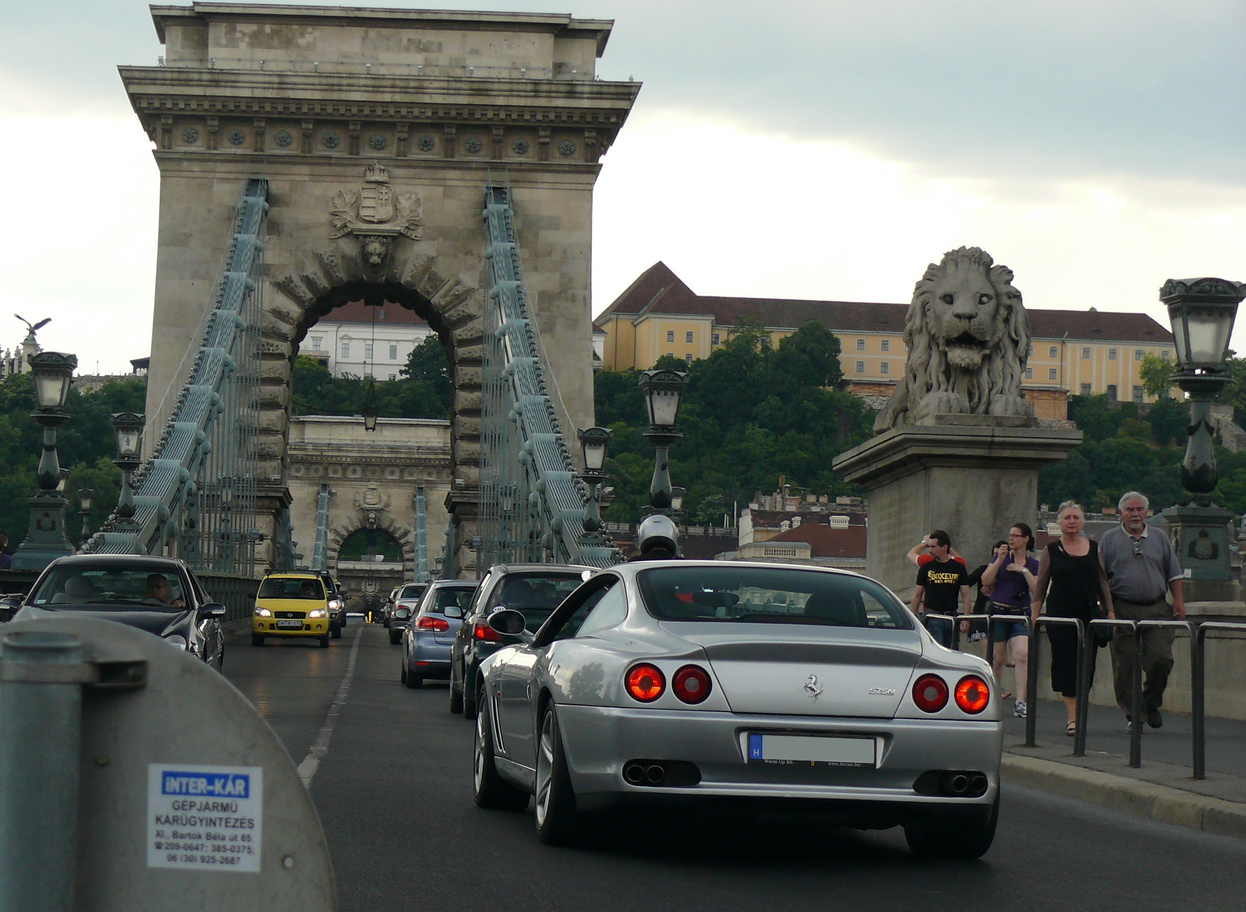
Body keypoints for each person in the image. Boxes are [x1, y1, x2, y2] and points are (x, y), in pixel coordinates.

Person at [1099, 491, 1185, 732]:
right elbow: (1101, 578)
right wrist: (1108, 610)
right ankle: (1133, 715)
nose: (1135, 514)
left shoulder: (1159, 537)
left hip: (1156, 608)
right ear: (1121, 514)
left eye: (1139, 509)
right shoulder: (1109, 539)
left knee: (1161, 659)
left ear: (1147, 512)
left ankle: (1149, 703)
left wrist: (1178, 600)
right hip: (1122, 607)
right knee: (1124, 665)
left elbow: (1174, 573)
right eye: (1130, 510)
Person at [1031, 501, 1115, 736]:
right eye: (1067, 518)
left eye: (1075, 517)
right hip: (1060, 614)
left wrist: (1110, 611)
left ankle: (1080, 714)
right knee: (1066, 665)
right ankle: (1072, 718)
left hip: (1088, 612)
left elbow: (1102, 582)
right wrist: (1035, 615)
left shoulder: (1093, 548)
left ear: (1082, 521)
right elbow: (1041, 585)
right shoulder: (1051, 551)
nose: (1071, 522)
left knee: (1086, 665)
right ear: (1060, 522)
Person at [980, 523, 1039, 719]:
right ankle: (994, 697)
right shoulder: (1000, 557)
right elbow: (985, 580)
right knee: (998, 660)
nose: (1011, 539)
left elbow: (1037, 589)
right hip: (999, 612)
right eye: (1010, 535)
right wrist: (1000, 561)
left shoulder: (1033, 564)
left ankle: (1021, 700)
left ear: (1026, 539)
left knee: (1022, 655)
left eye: (1016, 536)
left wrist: (1023, 570)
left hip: (1020, 613)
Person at [909, 529, 971, 648]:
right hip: (932, 617)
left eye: (933, 547)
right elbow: (917, 595)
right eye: (929, 547)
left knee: (952, 652)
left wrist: (966, 619)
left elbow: (966, 595)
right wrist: (913, 617)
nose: (930, 550)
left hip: (952, 617)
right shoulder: (926, 567)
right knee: (937, 650)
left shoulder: (958, 567)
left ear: (944, 547)